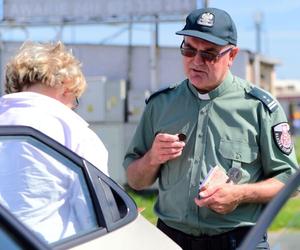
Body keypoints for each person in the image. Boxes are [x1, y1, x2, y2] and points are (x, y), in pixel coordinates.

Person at [123, 7, 299, 250]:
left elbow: (289, 181)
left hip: (239, 240)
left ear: (232, 55)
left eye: (209, 54)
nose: (196, 61)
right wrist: (152, 158)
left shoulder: (259, 108)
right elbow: (135, 179)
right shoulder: (160, 105)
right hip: (172, 239)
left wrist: (239, 194)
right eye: (188, 50)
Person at [0, 41, 108, 243]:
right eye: (76, 100)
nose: (73, 107)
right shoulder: (75, 132)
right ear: (67, 86)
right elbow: (94, 216)